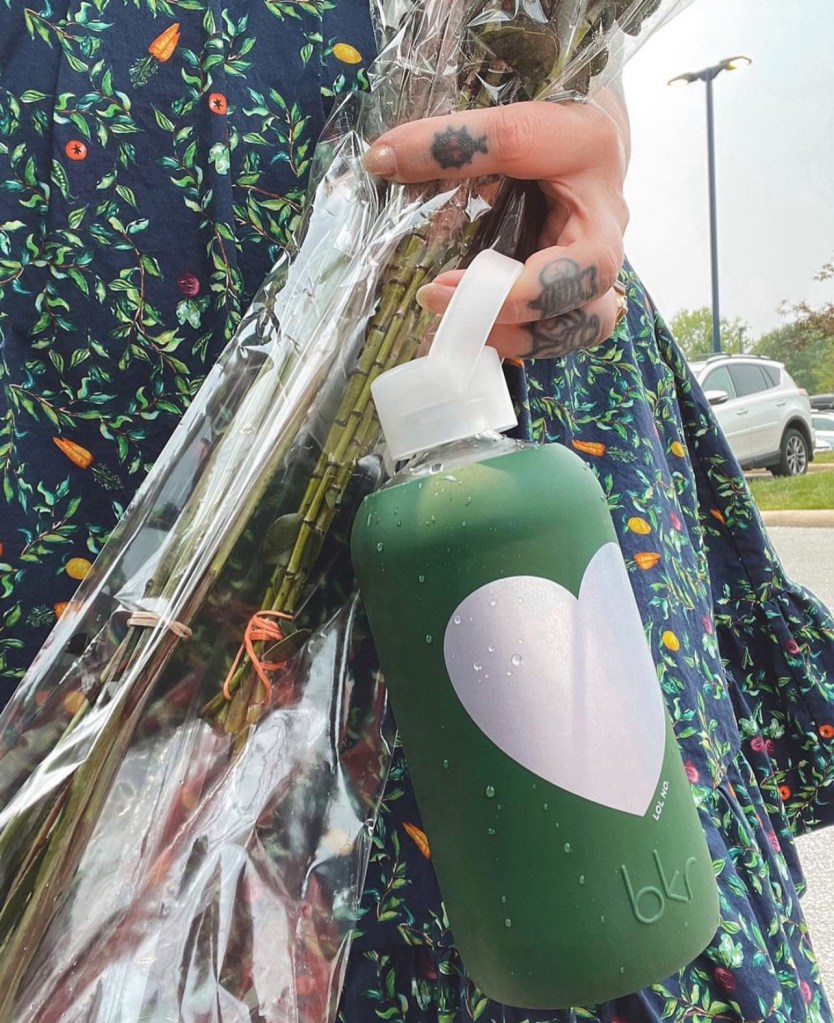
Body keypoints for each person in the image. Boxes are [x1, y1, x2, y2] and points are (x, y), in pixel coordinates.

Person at [1, 3, 833, 1022]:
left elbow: (567, 59)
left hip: (493, 342)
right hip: (70, 360)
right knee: (81, 886)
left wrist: (593, 148)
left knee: (581, 862)